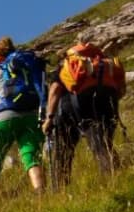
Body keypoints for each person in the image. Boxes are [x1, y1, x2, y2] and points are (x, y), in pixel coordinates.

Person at [0, 37, 47, 208]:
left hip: (4, 119)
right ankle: (41, 196)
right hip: (31, 115)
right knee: (31, 157)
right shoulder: (25, 68)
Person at [45, 43, 124, 185]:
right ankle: (116, 178)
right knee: (103, 143)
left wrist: (49, 118)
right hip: (108, 99)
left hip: (73, 108)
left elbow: (55, 89)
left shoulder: (67, 65)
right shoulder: (104, 65)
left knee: (63, 151)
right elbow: (121, 90)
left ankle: (60, 189)